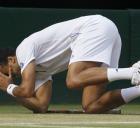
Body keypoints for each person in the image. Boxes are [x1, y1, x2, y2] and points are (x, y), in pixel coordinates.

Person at [0, 15, 140, 113]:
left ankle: (133, 72)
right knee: (91, 106)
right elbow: (41, 106)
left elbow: (26, 90)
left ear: (11, 60)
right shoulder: (36, 70)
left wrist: (9, 87)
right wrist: (11, 89)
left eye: (7, 71)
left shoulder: (22, 50)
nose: (10, 75)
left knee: (73, 79)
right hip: (104, 33)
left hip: (94, 28)